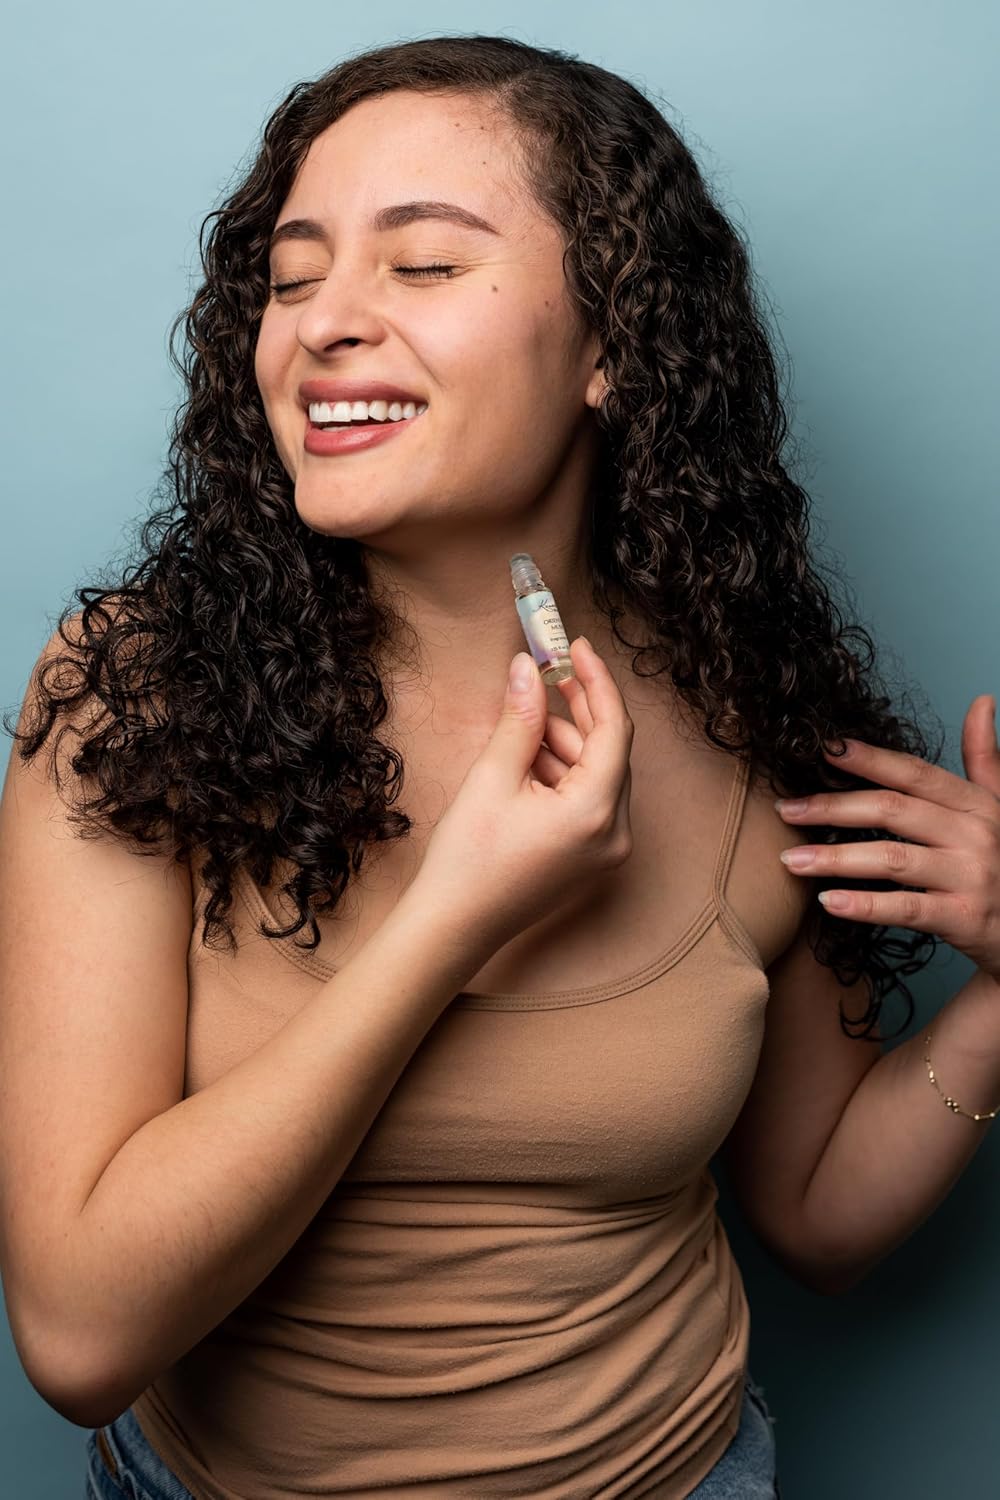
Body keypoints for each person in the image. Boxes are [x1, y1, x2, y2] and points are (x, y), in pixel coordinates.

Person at [2, 32, 998, 1500]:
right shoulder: (134, 699)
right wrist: (453, 919)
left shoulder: (747, 707)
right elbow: (80, 1336)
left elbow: (817, 1216)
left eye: (421, 264)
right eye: (292, 276)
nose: (324, 323)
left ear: (614, 345)